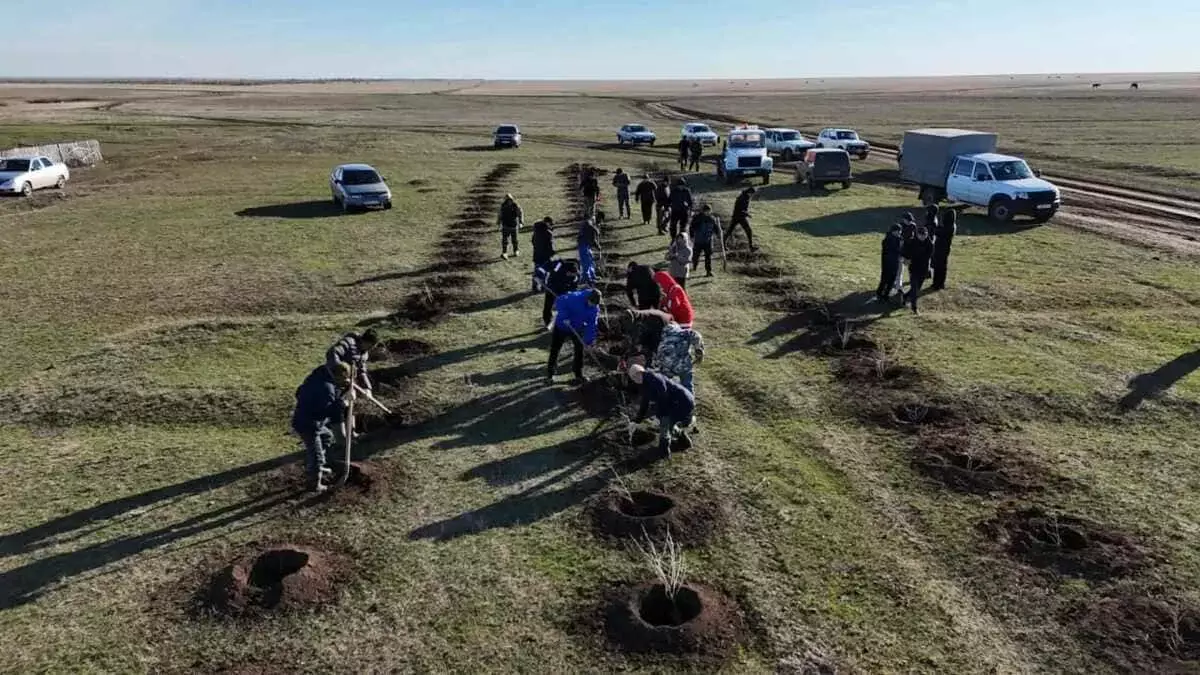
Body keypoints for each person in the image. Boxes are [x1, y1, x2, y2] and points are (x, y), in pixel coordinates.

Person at [292, 362, 352, 493]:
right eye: (345, 377)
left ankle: (317, 466)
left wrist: (344, 390)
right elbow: (331, 412)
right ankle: (314, 483)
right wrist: (343, 403)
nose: (346, 380)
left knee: (326, 437)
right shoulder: (326, 388)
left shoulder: (319, 376)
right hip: (308, 425)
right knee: (316, 455)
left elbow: (299, 392)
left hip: (311, 419)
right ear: (339, 375)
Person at [628, 364, 694, 457]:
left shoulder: (655, 379)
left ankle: (664, 451)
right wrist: (637, 420)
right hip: (673, 403)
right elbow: (645, 403)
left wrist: (660, 414)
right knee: (668, 422)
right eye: (633, 378)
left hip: (682, 401)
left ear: (641, 372)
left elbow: (663, 396)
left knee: (665, 423)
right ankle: (684, 440)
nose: (636, 379)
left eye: (637, 375)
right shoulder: (643, 385)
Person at [546, 288, 601, 385]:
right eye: (591, 302)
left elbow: (592, 325)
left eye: (594, 304)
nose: (591, 305)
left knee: (579, 351)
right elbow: (559, 301)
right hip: (562, 326)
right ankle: (550, 375)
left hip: (577, 328)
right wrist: (564, 317)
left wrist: (588, 342)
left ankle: (578, 375)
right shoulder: (575, 297)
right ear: (588, 298)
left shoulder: (594, 309)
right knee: (555, 349)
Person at [655, 321, 705, 393]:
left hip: (667, 365)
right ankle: (689, 400)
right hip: (683, 364)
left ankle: (662, 399)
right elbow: (696, 335)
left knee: (663, 383)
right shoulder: (682, 333)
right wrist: (698, 350)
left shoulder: (662, 337)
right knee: (687, 385)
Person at [326, 328, 379, 394]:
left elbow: (361, 371)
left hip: (348, 382)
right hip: (332, 378)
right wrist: (339, 372)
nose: (370, 349)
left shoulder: (364, 354)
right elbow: (332, 353)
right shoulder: (349, 343)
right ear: (365, 341)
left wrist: (367, 387)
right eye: (370, 346)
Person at [542, 258, 580, 328]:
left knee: (567, 304)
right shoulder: (558, 267)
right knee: (548, 304)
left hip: (564, 288)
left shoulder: (575, 275)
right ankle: (547, 321)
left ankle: (568, 320)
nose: (572, 275)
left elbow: (574, 286)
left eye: (573, 274)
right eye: (571, 274)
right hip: (552, 286)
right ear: (567, 272)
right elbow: (547, 267)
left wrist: (569, 294)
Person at [905, 227, 934, 314]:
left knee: (917, 288)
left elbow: (929, 256)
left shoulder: (929, 244)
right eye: (921, 235)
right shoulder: (912, 242)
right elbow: (906, 252)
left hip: (923, 269)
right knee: (914, 289)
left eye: (924, 235)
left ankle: (905, 296)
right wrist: (906, 259)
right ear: (917, 235)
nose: (923, 237)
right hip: (913, 268)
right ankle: (914, 307)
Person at [688, 204, 720, 277]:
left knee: (708, 257)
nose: (708, 213)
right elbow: (691, 227)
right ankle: (695, 265)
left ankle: (708, 271)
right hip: (698, 240)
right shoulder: (697, 218)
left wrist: (718, 234)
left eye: (709, 211)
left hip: (708, 241)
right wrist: (692, 236)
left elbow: (715, 228)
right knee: (696, 256)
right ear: (703, 211)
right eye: (706, 211)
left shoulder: (712, 219)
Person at [876, 223, 904, 303]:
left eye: (900, 231)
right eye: (898, 231)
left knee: (892, 279)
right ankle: (880, 293)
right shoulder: (887, 240)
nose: (900, 233)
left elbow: (900, 249)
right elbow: (892, 251)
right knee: (885, 279)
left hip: (894, 262)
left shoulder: (899, 239)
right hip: (887, 263)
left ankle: (886, 295)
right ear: (893, 231)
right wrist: (900, 247)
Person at [726, 186, 758, 251]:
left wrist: (746, 213)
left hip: (737, 216)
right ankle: (751, 247)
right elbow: (740, 209)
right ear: (749, 192)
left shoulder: (745, 197)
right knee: (748, 231)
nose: (752, 195)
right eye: (752, 194)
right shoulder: (743, 198)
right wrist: (747, 214)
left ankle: (723, 244)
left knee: (730, 231)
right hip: (739, 217)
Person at [931, 208, 956, 290]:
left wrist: (935, 228)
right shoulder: (951, 226)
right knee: (940, 266)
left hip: (942, 249)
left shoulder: (949, 228)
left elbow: (940, 232)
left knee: (940, 267)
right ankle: (938, 283)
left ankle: (938, 284)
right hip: (944, 249)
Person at [531, 217, 556, 292]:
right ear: (547, 223)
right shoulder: (548, 233)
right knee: (545, 272)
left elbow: (533, 242)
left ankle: (534, 286)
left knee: (537, 271)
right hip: (545, 256)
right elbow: (550, 246)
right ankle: (543, 287)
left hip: (536, 254)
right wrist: (552, 253)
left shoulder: (536, 231)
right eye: (551, 224)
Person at [497, 193, 523, 259]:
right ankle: (504, 252)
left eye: (510, 200)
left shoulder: (516, 206)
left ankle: (516, 251)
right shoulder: (503, 206)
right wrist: (499, 223)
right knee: (505, 240)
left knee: (515, 240)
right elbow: (500, 215)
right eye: (507, 200)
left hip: (514, 225)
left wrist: (521, 222)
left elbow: (520, 213)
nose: (509, 202)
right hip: (505, 225)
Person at [577, 216, 600, 285]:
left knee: (590, 261)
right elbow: (593, 239)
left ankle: (592, 276)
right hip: (583, 246)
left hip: (586, 246)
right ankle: (587, 279)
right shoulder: (590, 227)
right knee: (586, 263)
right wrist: (598, 246)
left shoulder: (587, 224)